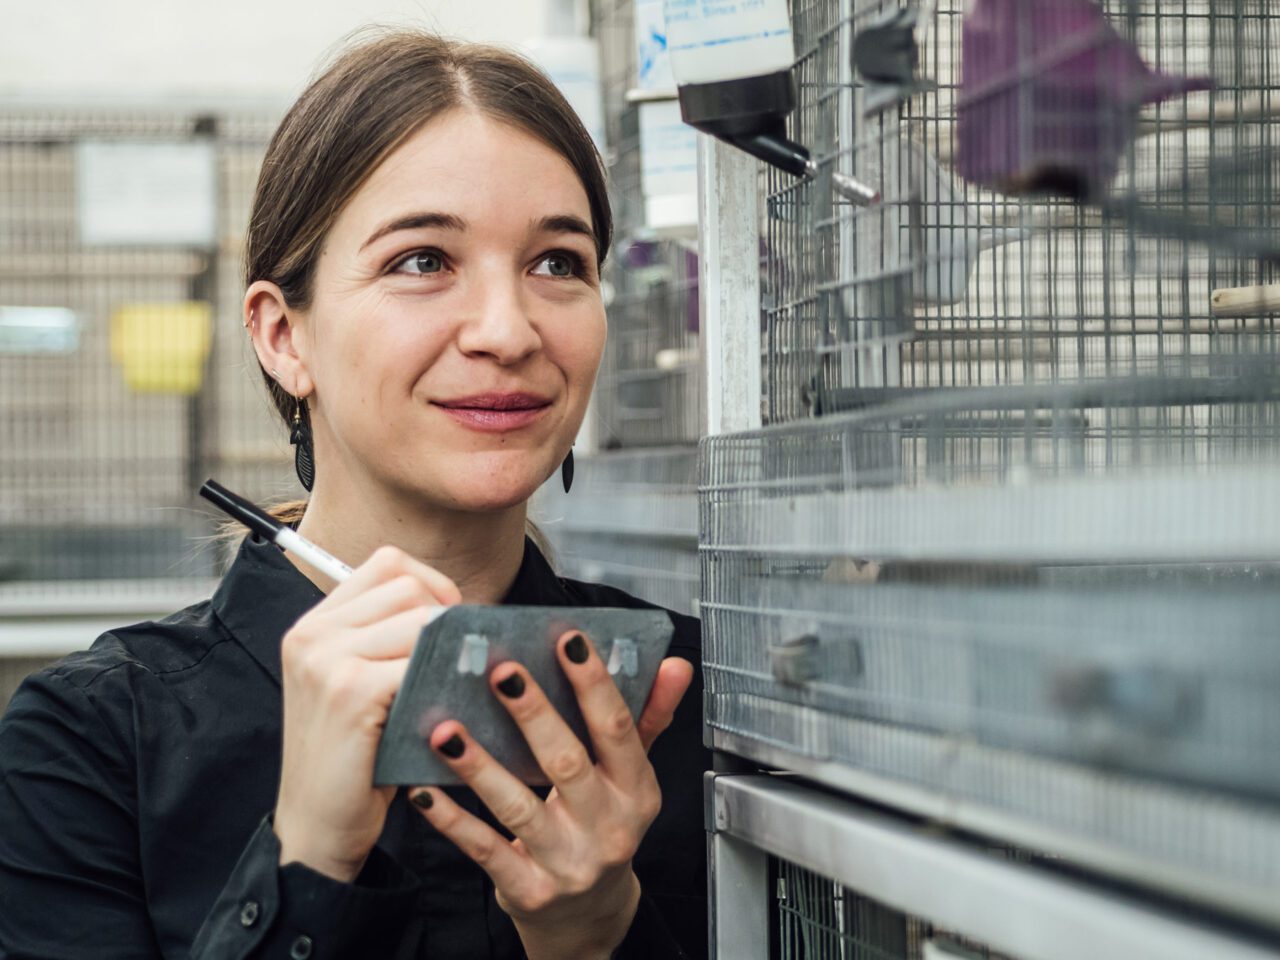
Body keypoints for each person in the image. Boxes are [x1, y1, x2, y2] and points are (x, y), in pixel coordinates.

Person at [0, 31, 709, 960]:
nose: (507, 329)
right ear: (283, 337)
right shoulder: (90, 745)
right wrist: (308, 861)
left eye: (558, 263)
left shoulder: (686, 698)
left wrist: (592, 938)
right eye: (422, 260)